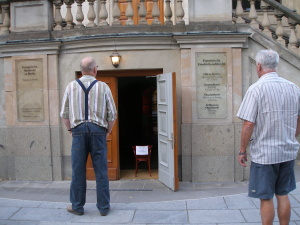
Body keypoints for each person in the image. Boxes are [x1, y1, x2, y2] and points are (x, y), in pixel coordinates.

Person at [237, 49, 300, 225]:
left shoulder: (256, 89)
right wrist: (291, 135)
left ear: (258, 65)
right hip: (287, 151)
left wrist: (242, 150)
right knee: (283, 193)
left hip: (265, 154)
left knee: (265, 197)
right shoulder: (293, 87)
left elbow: (248, 124)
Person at [60, 56, 117, 216]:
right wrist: (106, 132)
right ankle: (104, 208)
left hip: (78, 130)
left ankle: (77, 207)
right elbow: (112, 115)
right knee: (101, 171)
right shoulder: (103, 87)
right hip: (98, 130)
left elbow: (64, 114)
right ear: (94, 69)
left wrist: (71, 130)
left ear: (81, 70)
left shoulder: (71, 86)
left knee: (78, 170)